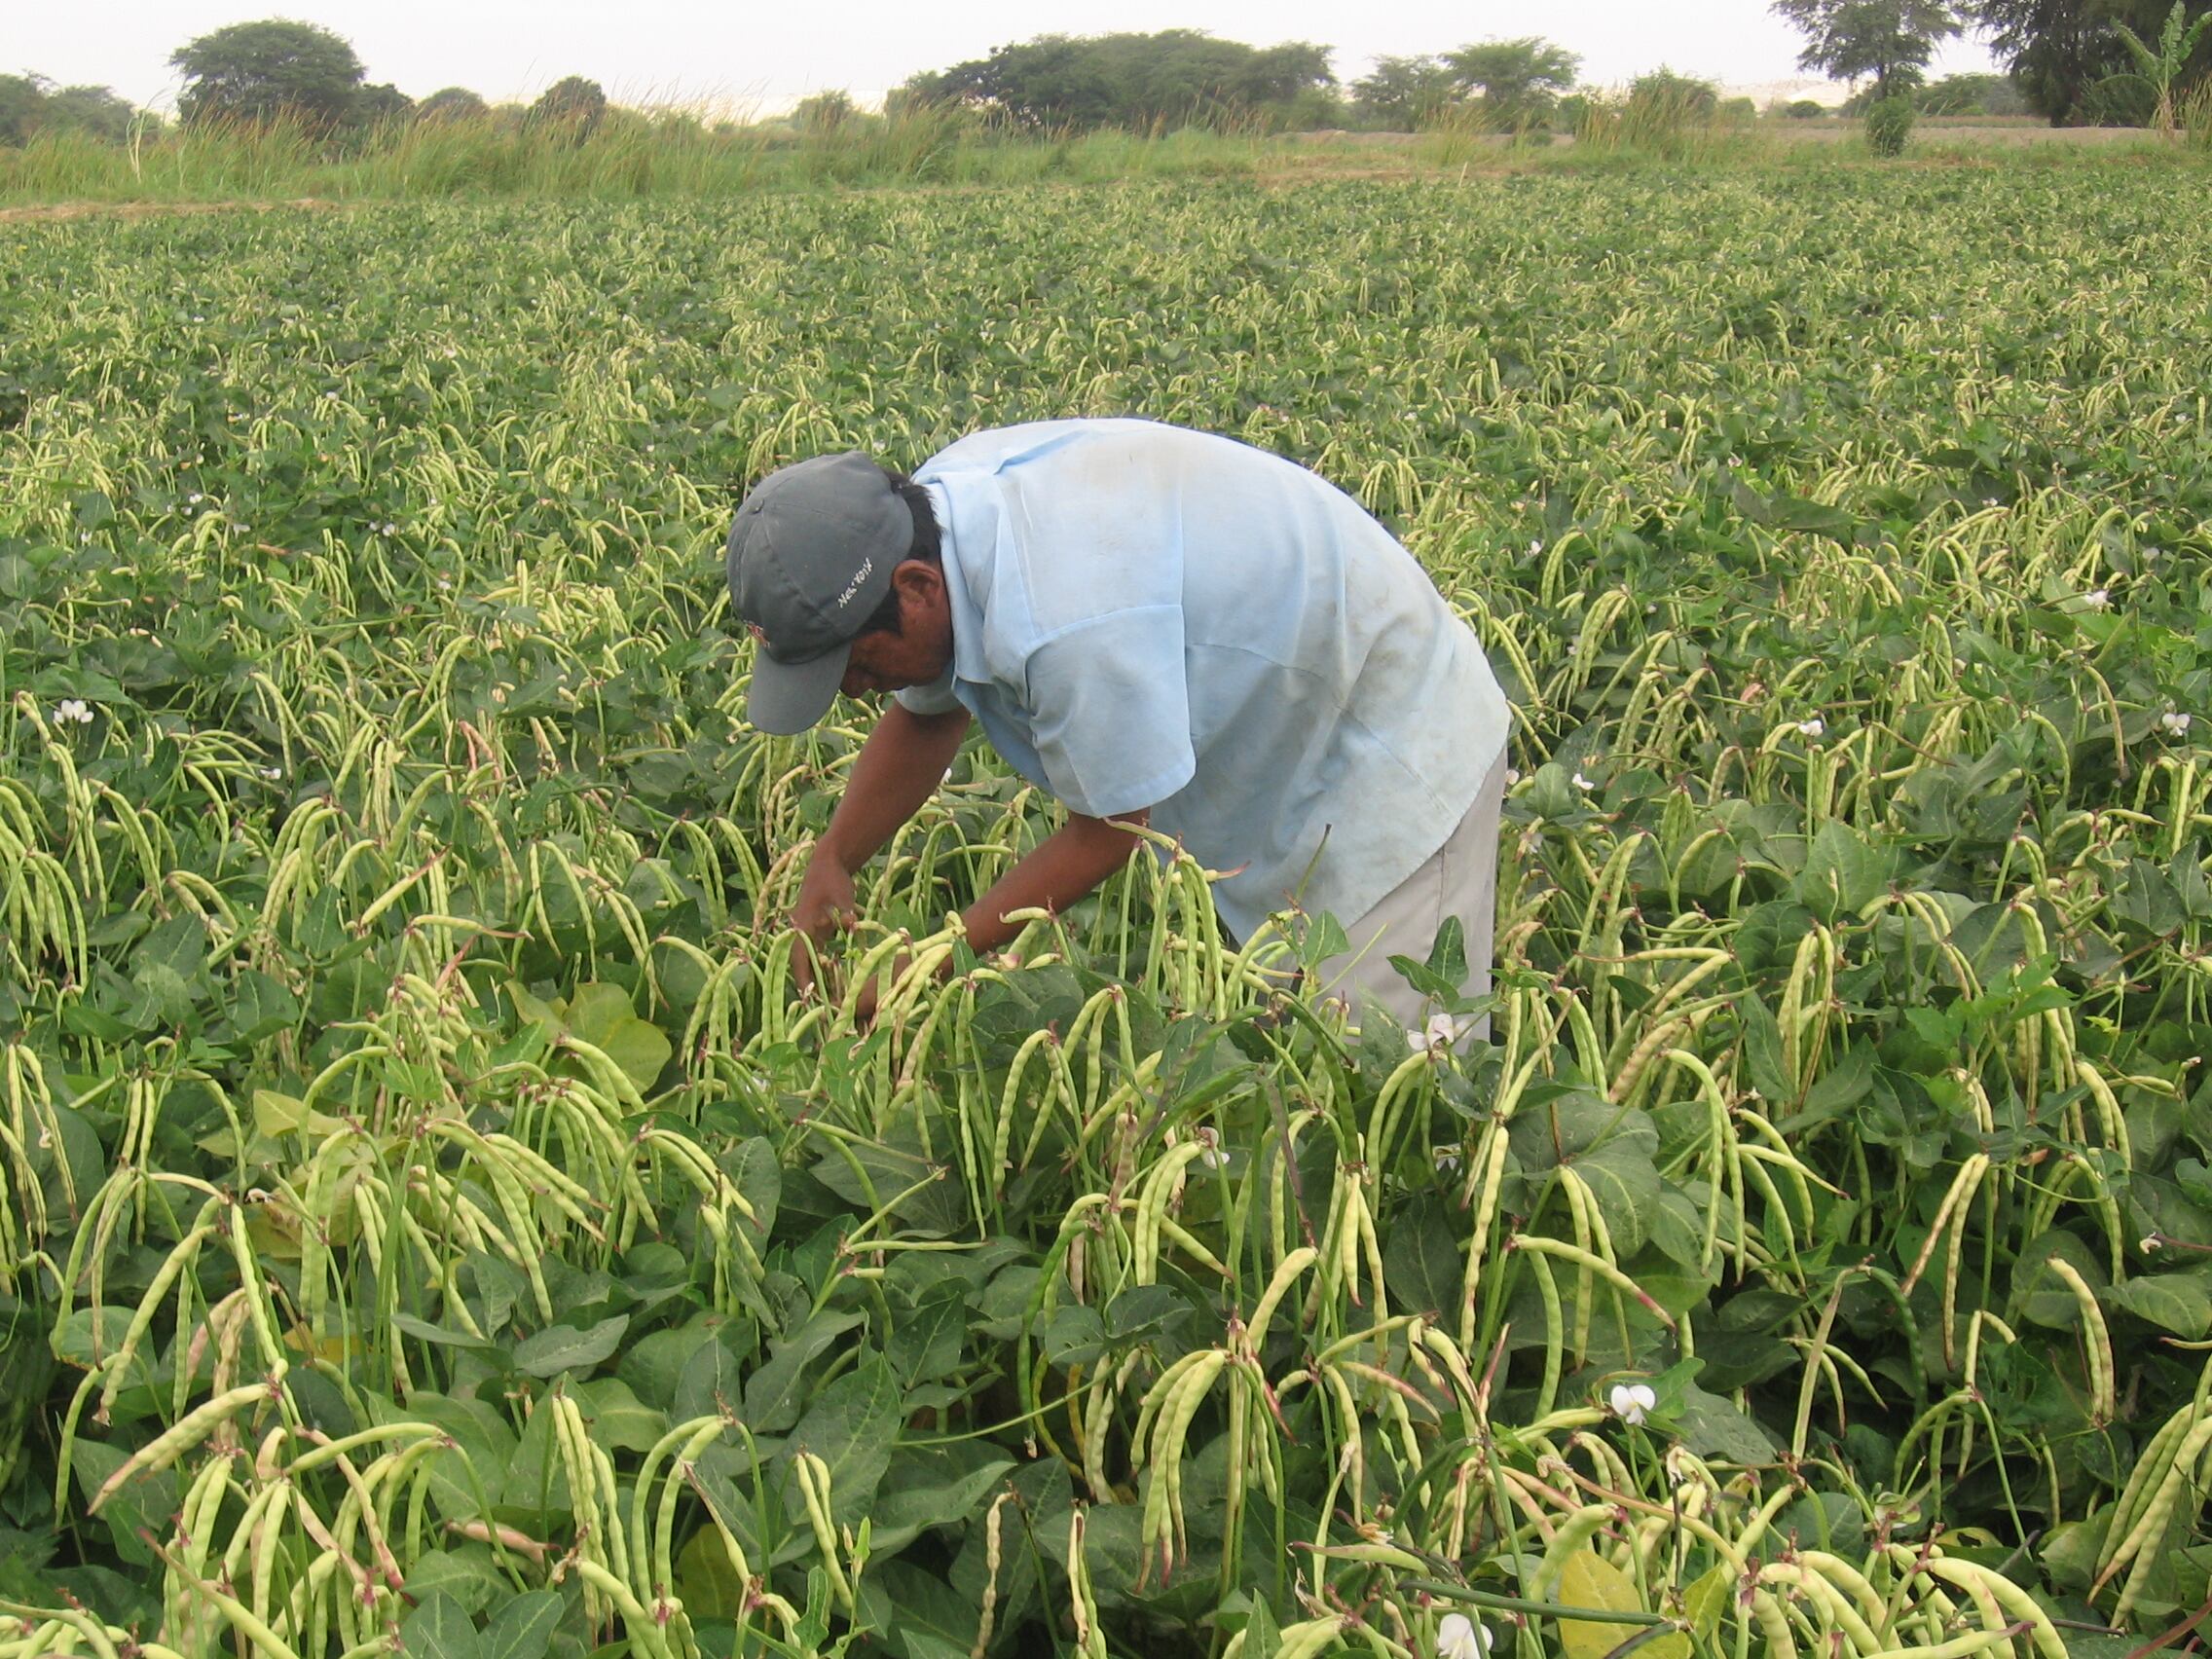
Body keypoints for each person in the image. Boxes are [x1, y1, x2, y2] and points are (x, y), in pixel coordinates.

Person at [724, 417, 1512, 1035]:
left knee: (1390, 1088)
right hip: (1286, 737)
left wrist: (933, 959)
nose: (858, 693)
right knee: (1303, 1042)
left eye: (856, 667)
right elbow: (927, 716)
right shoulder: (929, 519)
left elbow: (1109, 830)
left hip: (1389, 743)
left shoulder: (1068, 617)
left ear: (916, 587)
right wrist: (835, 858)